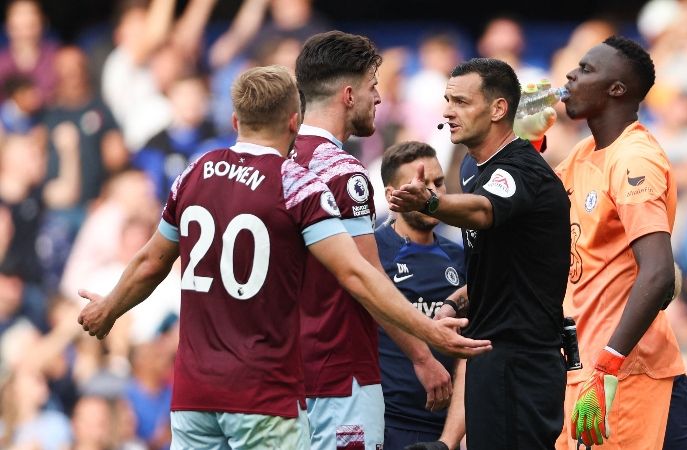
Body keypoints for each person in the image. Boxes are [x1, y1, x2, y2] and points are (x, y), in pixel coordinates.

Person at [76, 65, 490, 448]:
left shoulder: (195, 172)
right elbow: (358, 274)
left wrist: (109, 309)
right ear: (294, 120)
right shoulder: (295, 184)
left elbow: (151, 261)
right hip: (262, 392)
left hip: (192, 395)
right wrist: (430, 334)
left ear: (236, 121)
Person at [293, 31, 463, 450]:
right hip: (338, 377)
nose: (379, 99)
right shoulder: (343, 173)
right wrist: (425, 352)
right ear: (349, 95)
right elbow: (367, 278)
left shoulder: (277, 159)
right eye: (373, 87)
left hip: (281, 377)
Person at [389, 57, 570, 450]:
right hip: (493, 359)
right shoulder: (476, 168)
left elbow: (484, 211)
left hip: (520, 363)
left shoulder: (520, 170)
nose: (447, 111)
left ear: (498, 109)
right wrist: (457, 302)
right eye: (447, 100)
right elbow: (503, 270)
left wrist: (431, 203)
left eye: (460, 102)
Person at [553, 36, 687, 449]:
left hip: (625, 372)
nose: (570, 75)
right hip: (590, 367)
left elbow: (657, 274)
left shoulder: (633, 159)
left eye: (586, 70)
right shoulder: (585, 154)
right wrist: (528, 141)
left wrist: (609, 366)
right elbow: (528, 215)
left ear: (616, 89)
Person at [375, 141, 466, 450]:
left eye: (437, 183)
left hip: (449, 429)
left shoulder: (460, 257)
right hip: (390, 421)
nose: (430, 192)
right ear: (392, 196)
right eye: (418, 185)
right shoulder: (372, 253)